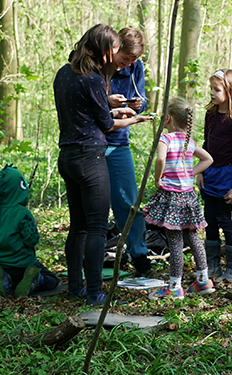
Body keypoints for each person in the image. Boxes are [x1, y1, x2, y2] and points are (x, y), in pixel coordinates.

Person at [54, 24, 145, 306]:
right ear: (104, 50)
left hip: (67, 156)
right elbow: (105, 125)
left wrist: (112, 107)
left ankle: (75, 288)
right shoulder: (93, 79)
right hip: (91, 157)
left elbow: (86, 111)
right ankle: (94, 291)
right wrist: (134, 119)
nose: (117, 55)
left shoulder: (64, 73)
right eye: (115, 49)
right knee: (96, 227)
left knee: (78, 227)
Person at [142, 97, 214, 299]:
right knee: (193, 237)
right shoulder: (189, 141)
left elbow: (161, 159)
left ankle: (174, 287)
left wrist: (158, 179)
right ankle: (203, 280)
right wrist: (190, 174)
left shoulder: (166, 139)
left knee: (174, 241)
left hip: (172, 197)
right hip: (188, 196)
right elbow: (209, 159)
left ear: (169, 119)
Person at [104, 27, 153, 275]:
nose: (127, 64)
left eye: (132, 60)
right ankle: (95, 255)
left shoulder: (136, 67)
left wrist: (138, 103)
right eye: (125, 58)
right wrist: (108, 100)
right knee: (96, 203)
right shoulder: (99, 65)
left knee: (128, 201)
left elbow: (142, 98)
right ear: (114, 49)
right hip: (95, 142)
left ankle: (139, 254)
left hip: (120, 141)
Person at [198, 69, 232, 283]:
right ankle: (213, 266)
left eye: (216, 89)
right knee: (209, 219)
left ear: (230, 91)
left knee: (223, 219)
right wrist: (199, 171)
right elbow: (205, 145)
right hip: (210, 173)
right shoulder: (210, 114)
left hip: (229, 175)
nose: (211, 93)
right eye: (211, 88)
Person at [0, 164, 60, 297]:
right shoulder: (22, 213)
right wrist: (34, 224)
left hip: (3, 262)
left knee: (13, 277)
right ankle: (36, 279)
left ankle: (5, 277)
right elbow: (31, 240)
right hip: (24, 263)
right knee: (52, 280)